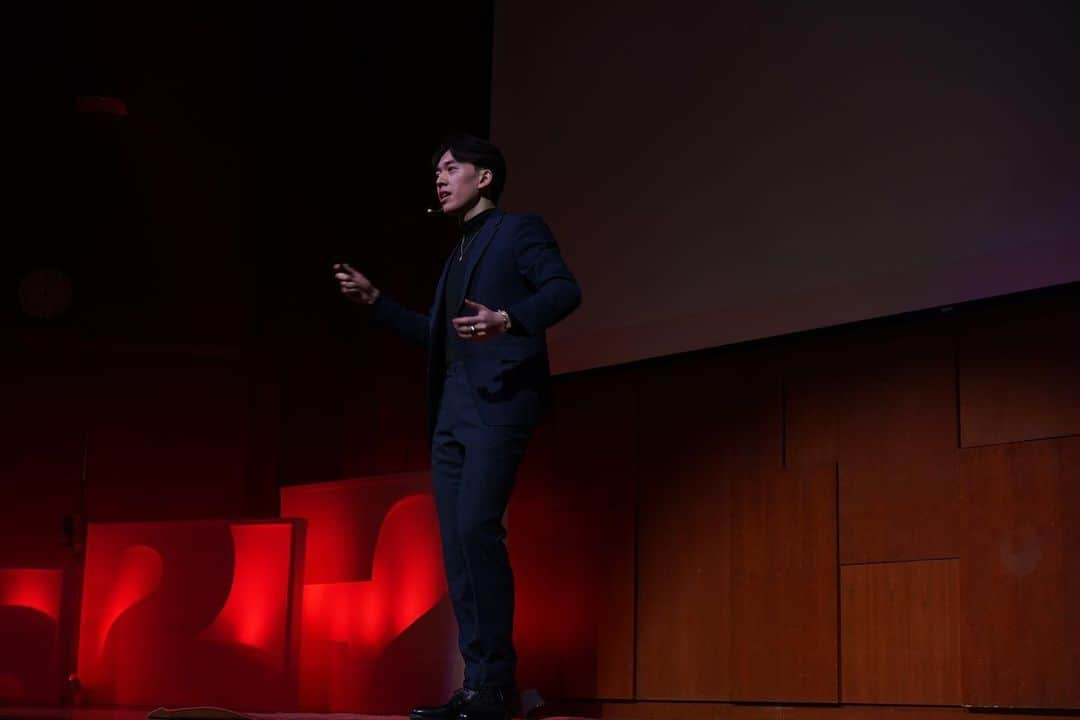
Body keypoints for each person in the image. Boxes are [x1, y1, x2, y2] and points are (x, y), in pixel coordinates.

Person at [334, 134, 581, 720]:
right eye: (437, 171)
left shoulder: (518, 230)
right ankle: (477, 686)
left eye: (451, 168)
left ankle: (496, 683)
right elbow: (438, 335)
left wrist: (508, 319)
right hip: (450, 412)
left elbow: (564, 291)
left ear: (485, 178)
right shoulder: (458, 252)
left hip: (498, 403)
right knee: (457, 545)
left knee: (476, 529)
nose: (440, 179)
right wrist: (377, 303)